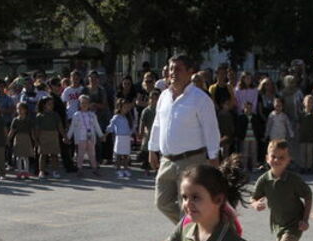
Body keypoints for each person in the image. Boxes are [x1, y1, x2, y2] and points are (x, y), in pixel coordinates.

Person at [148, 55, 221, 224]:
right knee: (162, 202)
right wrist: (152, 149)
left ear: (190, 72)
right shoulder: (164, 96)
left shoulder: (200, 98)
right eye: (171, 69)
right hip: (167, 160)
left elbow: (211, 130)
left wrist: (214, 158)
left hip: (191, 160)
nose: (173, 73)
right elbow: (157, 124)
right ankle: (192, 227)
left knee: (187, 206)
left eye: (178, 69)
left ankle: (188, 236)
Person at [251, 140, 312, 241]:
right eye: (273, 156)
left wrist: (305, 219)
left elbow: (307, 195)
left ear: (288, 160)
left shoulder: (293, 180)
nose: (277, 160)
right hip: (278, 225)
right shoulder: (264, 179)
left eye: (281, 157)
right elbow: (254, 197)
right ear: (267, 158)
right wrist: (256, 204)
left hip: (294, 225)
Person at [66, 95, 104, 176]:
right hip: (81, 138)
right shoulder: (76, 115)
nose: (84, 104)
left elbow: (96, 126)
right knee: (80, 154)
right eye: (82, 103)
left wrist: (101, 135)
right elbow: (72, 127)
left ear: (89, 104)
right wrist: (68, 137)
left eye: (86, 103)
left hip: (90, 137)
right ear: (79, 104)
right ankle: (79, 169)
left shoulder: (92, 115)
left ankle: (95, 168)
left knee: (92, 154)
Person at [34, 97, 64, 179]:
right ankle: (41, 171)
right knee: (43, 154)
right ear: (44, 105)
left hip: (53, 135)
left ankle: (55, 170)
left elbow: (60, 126)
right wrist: (36, 139)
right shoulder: (39, 116)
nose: (51, 105)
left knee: (54, 154)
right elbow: (37, 129)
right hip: (43, 136)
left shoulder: (55, 115)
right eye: (49, 104)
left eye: (52, 104)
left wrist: (64, 136)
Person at [106, 98, 133, 179]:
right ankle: (118, 169)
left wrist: (132, 134)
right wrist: (105, 134)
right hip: (119, 137)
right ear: (119, 107)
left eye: (127, 107)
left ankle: (125, 168)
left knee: (126, 154)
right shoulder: (116, 117)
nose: (126, 109)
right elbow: (111, 126)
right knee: (118, 154)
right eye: (124, 107)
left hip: (126, 137)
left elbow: (131, 127)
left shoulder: (128, 117)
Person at [236, 101, 264, 172]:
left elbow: (258, 127)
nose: (248, 109)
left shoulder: (255, 117)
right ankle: (244, 167)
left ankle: (254, 166)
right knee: (244, 153)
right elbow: (238, 128)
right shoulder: (241, 117)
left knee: (254, 152)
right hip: (245, 138)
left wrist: (260, 135)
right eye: (247, 108)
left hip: (253, 137)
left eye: (250, 108)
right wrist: (239, 136)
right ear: (244, 108)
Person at [9, 102, 34, 179]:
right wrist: (8, 139)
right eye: (17, 109)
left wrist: (35, 140)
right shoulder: (15, 120)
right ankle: (19, 172)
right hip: (18, 138)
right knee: (18, 156)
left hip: (26, 138)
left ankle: (26, 172)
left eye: (21, 109)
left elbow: (32, 131)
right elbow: (12, 131)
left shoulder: (28, 120)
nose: (19, 110)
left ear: (25, 110)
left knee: (26, 156)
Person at [297, 95, 313, 172]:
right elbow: (298, 124)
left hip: (311, 135)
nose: (309, 104)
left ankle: (309, 167)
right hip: (302, 135)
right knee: (302, 152)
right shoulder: (301, 113)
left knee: (309, 152)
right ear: (304, 103)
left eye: (311, 102)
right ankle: (302, 166)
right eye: (308, 102)